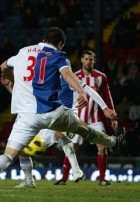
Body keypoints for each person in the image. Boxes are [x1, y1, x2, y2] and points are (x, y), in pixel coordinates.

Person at [0, 26, 126, 189]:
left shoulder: (23, 52)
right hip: (53, 113)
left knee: (9, 154)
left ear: (44, 39)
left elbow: (4, 66)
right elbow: (67, 74)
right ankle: (111, 142)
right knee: (83, 129)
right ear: (60, 44)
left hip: (26, 117)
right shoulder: (58, 56)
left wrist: (12, 79)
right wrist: (82, 92)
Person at [0, 72, 117, 188]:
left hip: (68, 117)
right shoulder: (43, 82)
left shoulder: (68, 78)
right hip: (47, 119)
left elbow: (90, 90)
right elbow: (25, 98)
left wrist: (105, 108)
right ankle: (29, 181)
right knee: (23, 152)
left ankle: (76, 170)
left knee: (59, 133)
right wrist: (8, 86)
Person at [55, 50, 119, 186]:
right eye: (86, 59)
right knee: (71, 147)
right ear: (82, 60)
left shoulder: (101, 77)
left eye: (91, 59)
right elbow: (65, 96)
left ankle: (102, 179)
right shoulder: (73, 76)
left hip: (96, 120)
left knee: (102, 147)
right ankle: (64, 178)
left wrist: (113, 118)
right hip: (78, 118)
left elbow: (107, 97)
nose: (89, 61)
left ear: (94, 61)